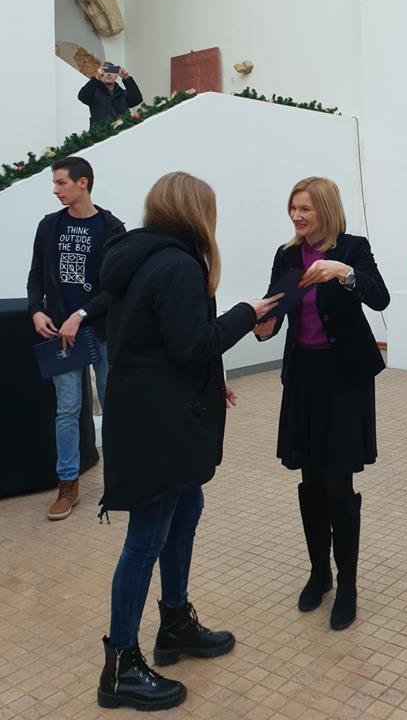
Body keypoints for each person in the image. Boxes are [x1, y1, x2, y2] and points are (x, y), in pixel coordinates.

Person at [96, 171, 280, 712]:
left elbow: (154, 341)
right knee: (146, 537)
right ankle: (120, 668)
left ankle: (174, 622)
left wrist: (208, 380)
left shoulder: (142, 256)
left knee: (187, 506)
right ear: (197, 212)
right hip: (159, 422)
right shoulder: (176, 265)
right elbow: (192, 344)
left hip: (152, 409)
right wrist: (246, 314)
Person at [254, 176, 390, 631]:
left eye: (305, 209)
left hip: (344, 377)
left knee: (337, 482)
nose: (296, 216)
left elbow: (380, 296)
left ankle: (348, 582)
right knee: (310, 480)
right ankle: (319, 573)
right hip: (304, 376)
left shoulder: (352, 248)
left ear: (325, 210)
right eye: (293, 208)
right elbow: (275, 307)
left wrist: (343, 273)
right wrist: (264, 325)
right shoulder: (287, 255)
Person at [27, 156, 125, 521]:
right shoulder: (49, 226)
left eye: (61, 183)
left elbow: (116, 287)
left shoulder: (112, 228)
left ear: (83, 183)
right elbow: (36, 276)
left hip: (102, 332)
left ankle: (121, 479)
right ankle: (68, 484)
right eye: (55, 183)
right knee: (67, 410)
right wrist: (37, 311)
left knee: (114, 405)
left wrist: (80, 314)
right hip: (61, 336)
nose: (55, 190)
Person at [78, 62, 143, 126]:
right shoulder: (93, 93)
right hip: (102, 131)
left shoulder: (122, 93)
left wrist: (127, 78)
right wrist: (96, 78)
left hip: (124, 129)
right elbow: (83, 97)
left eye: (112, 71)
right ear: (100, 74)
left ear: (116, 76)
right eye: (105, 71)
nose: (108, 74)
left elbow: (137, 99)